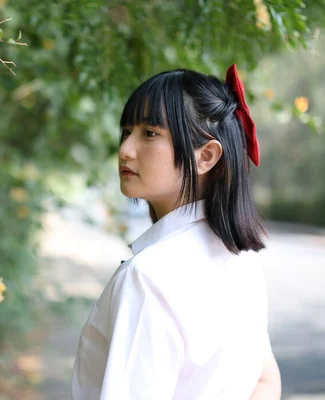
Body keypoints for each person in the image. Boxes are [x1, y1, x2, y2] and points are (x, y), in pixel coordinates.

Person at [71, 65, 281, 399]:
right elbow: (265, 382)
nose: (125, 149)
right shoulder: (242, 262)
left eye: (149, 133)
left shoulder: (148, 277)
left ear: (206, 156)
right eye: (126, 131)